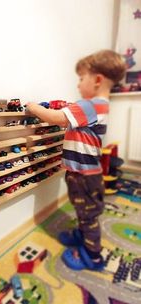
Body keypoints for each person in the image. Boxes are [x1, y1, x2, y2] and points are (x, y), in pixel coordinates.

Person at [25, 50, 126, 271]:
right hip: (85, 174)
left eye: (81, 79)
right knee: (84, 211)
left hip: (84, 176)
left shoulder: (90, 105)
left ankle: (93, 256)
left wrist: (34, 108)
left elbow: (57, 118)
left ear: (97, 80)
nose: (79, 85)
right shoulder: (100, 106)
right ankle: (82, 234)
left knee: (88, 215)